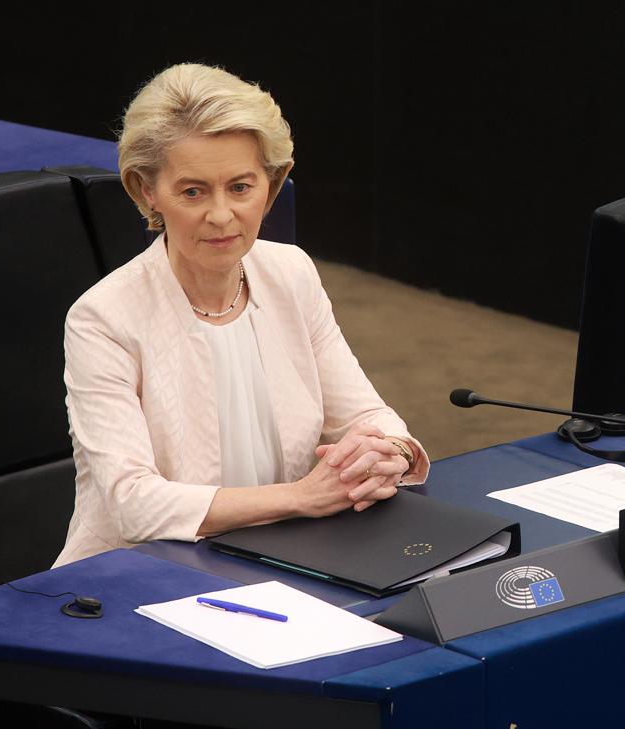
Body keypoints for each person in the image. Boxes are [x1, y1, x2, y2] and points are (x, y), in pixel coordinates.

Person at [53, 63, 428, 567]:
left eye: (240, 187)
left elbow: (363, 417)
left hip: (289, 557)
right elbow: (133, 505)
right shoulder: (103, 318)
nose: (221, 215)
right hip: (140, 575)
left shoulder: (291, 272)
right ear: (146, 191)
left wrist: (389, 453)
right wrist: (301, 497)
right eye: (193, 191)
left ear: (272, 184)